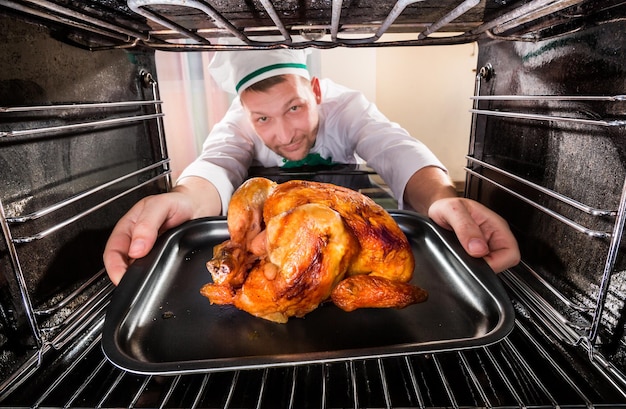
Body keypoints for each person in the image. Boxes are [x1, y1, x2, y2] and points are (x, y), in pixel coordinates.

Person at [103, 49, 520, 285]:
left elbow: (396, 150)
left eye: (295, 107)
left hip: (350, 218)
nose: (283, 134)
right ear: (245, 112)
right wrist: (179, 197)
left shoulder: (348, 106)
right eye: (262, 119)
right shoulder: (239, 120)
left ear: (315, 91)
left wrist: (444, 199)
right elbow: (215, 165)